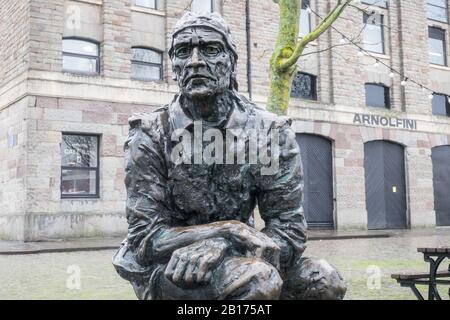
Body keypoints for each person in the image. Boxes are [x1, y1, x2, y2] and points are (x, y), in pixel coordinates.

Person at [113, 11, 346, 300]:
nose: (196, 61)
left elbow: (288, 229)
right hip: (170, 265)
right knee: (257, 283)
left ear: (231, 61)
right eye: (183, 52)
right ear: (173, 66)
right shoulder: (151, 133)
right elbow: (145, 239)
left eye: (211, 50)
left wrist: (225, 246)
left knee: (325, 282)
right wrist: (229, 231)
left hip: (244, 256)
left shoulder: (269, 131)